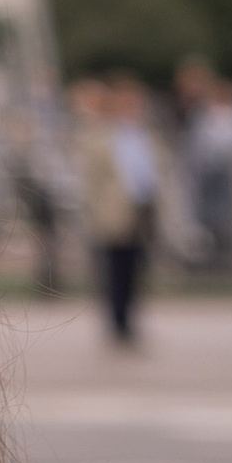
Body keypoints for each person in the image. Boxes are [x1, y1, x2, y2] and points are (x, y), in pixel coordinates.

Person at [74, 73, 154, 346]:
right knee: (114, 268)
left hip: (143, 207)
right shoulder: (101, 137)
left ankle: (130, 317)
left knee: (137, 266)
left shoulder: (146, 135)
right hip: (113, 211)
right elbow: (93, 179)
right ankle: (118, 321)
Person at [176, 57, 232, 276]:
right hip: (202, 175)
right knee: (202, 220)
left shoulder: (227, 116)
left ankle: (225, 259)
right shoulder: (195, 114)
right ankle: (204, 261)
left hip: (226, 176)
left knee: (227, 220)